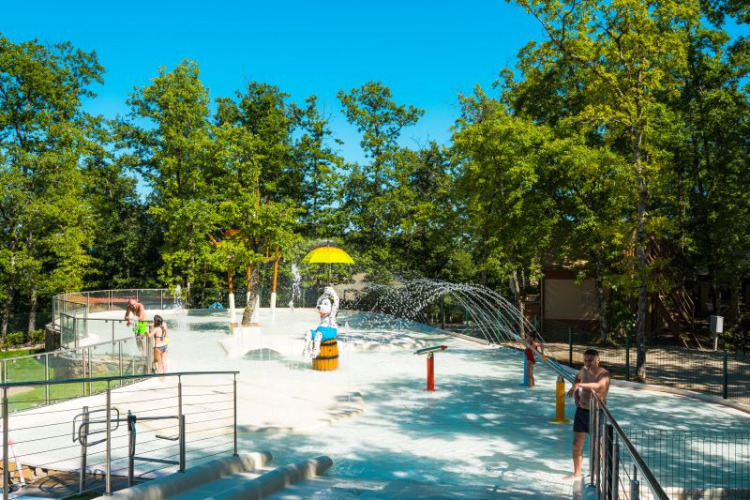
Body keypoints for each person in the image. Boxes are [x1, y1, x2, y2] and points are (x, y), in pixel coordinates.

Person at [564, 348, 611, 480]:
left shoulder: (604, 374)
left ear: (598, 360)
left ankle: (595, 474)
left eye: (590, 360)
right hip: (581, 411)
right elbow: (577, 379)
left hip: (597, 413)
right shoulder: (583, 370)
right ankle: (577, 473)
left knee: (596, 446)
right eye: (585, 360)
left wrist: (579, 386)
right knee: (576, 444)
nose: (587, 363)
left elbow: (598, 386)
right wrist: (576, 397)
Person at [148, 315, 169, 380]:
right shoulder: (163, 327)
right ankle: (164, 377)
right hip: (165, 346)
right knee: (164, 361)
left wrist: (146, 332)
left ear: (156, 321)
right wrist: (147, 325)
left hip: (158, 347)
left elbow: (149, 336)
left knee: (157, 362)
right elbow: (166, 335)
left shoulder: (156, 329)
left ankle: (160, 377)